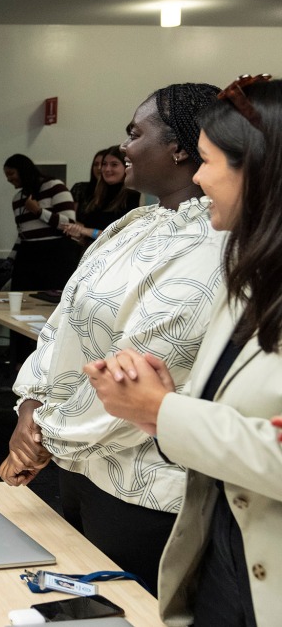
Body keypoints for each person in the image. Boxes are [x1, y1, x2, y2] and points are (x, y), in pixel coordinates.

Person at [0, 82, 226, 593]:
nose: (123, 147)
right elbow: (63, 323)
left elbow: (151, 364)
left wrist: (41, 439)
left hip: (142, 485)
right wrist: (31, 407)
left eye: (134, 133)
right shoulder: (136, 222)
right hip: (74, 461)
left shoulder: (217, 240)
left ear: (180, 148)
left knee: (125, 608)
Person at [87, 74, 282, 626]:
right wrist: (165, 402)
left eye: (206, 161)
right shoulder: (248, 276)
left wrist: (162, 412)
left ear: (259, 169)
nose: (196, 178)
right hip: (228, 562)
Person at [3, 153, 77, 291]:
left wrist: (38, 212)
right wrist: (10, 260)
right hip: (28, 254)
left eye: (11, 173)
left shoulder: (55, 187)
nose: (8, 179)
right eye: (6, 175)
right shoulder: (17, 199)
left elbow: (70, 224)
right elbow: (22, 234)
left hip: (55, 253)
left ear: (23, 170)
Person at [62, 146, 141, 247]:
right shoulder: (96, 194)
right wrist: (78, 234)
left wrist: (86, 231)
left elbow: (123, 235)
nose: (107, 169)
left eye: (114, 164)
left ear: (126, 167)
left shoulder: (134, 195)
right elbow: (88, 233)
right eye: (105, 164)